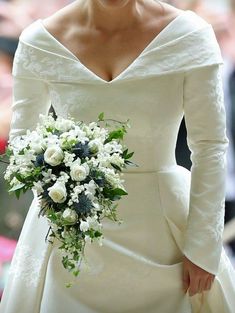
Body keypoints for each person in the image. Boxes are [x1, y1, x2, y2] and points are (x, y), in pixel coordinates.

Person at [0, 0, 235, 312]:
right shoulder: (40, 40)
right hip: (71, 236)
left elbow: (210, 145)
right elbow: (23, 144)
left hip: (165, 232)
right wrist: (62, 200)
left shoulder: (189, 35)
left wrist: (203, 247)